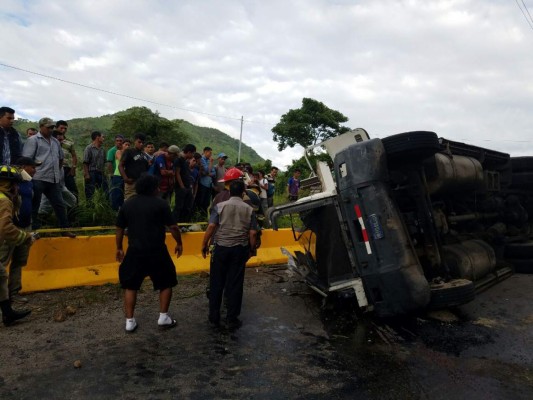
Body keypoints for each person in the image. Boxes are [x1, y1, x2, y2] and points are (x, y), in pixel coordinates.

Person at [115, 174, 183, 333]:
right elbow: (173, 227)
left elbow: (119, 228)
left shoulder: (128, 204)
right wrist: (179, 242)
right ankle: (163, 317)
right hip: (157, 250)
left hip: (134, 250)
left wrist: (119, 247)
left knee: (130, 285)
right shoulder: (161, 204)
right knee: (166, 282)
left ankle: (129, 321)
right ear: (153, 188)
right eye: (157, 187)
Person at [201, 180, 258, 330]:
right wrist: (252, 249)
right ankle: (232, 318)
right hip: (239, 249)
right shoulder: (249, 209)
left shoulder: (220, 206)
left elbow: (212, 226)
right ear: (243, 192)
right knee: (235, 284)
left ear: (230, 191)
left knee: (216, 283)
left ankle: (214, 317)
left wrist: (204, 244)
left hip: (221, 248)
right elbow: (252, 233)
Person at [22, 117, 75, 238]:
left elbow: (60, 158)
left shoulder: (55, 141)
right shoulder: (33, 140)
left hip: (53, 179)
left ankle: (64, 229)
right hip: (38, 178)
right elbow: (27, 159)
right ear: (41, 127)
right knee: (34, 204)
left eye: (52, 127)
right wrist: (32, 173)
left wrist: (56, 170)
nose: (51, 129)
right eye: (49, 127)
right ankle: (33, 230)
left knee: (60, 205)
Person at [0, 165, 34, 326]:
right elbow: (5, 228)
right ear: (7, 184)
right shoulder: (4, 201)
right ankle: (8, 313)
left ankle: (7, 314)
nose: (17, 187)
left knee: (1, 275)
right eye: (14, 184)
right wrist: (25, 237)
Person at [119, 133, 148, 200]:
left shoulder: (144, 154)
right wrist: (125, 178)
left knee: (141, 203)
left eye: (143, 142)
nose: (141, 144)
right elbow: (120, 165)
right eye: (139, 142)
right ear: (135, 141)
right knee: (130, 203)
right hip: (131, 183)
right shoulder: (129, 151)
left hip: (142, 183)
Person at [173, 144, 196, 223]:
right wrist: (182, 187)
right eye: (193, 153)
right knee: (179, 207)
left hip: (187, 187)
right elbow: (177, 173)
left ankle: (183, 224)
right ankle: (175, 224)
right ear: (189, 152)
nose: (193, 155)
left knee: (187, 207)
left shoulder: (186, 162)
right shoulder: (179, 160)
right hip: (180, 188)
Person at [55, 120, 78, 200]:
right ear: (56, 128)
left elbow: (74, 156)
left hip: (66, 169)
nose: (63, 130)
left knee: (73, 191)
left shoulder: (69, 141)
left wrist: (73, 168)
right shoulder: (50, 140)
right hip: (54, 169)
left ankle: (74, 211)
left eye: (65, 129)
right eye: (61, 128)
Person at [83, 131, 107, 200]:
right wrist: (87, 174)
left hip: (100, 173)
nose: (103, 139)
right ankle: (90, 209)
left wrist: (104, 173)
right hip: (91, 172)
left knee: (105, 191)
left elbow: (104, 162)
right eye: (102, 137)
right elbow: (85, 162)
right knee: (90, 193)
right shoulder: (89, 148)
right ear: (98, 137)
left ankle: (104, 207)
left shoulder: (102, 149)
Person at [195, 146, 215, 217]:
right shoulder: (202, 159)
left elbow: (213, 173)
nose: (210, 154)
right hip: (202, 184)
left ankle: (203, 217)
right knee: (201, 201)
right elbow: (207, 171)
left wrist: (208, 173)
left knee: (206, 203)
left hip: (209, 184)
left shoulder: (209, 161)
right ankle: (198, 216)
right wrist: (210, 164)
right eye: (210, 153)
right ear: (205, 152)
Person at [107, 135, 125, 210]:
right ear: (115, 141)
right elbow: (109, 163)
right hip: (116, 175)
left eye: (120, 141)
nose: (119, 142)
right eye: (117, 140)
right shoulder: (112, 151)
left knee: (122, 194)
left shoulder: (124, 150)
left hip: (124, 175)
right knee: (115, 193)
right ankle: (114, 211)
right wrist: (111, 174)